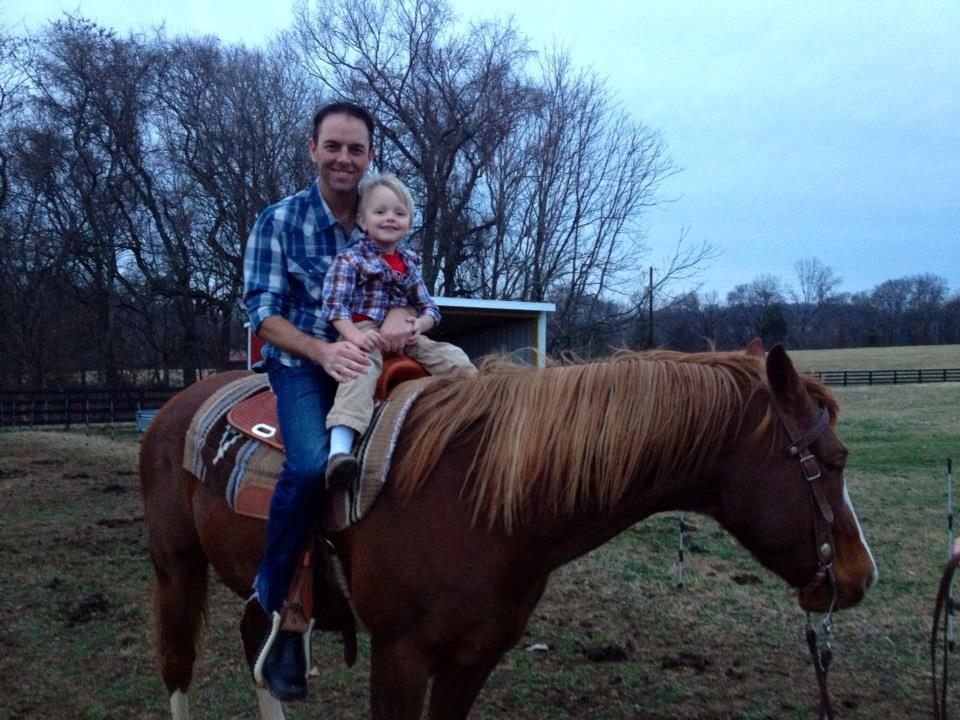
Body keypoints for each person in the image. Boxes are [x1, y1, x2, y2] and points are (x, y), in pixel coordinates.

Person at [242, 101, 415, 702]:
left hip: (376, 357)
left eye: (356, 149)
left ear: (370, 155)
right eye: (333, 146)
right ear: (312, 149)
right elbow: (262, 314)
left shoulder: (382, 212)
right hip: (304, 365)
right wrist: (322, 351)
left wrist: (402, 317)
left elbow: (407, 286)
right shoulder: (279, 221)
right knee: (313, 464)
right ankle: (276, 603)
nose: (345, 158)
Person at [320, 174, 477, 489]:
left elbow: (429, 309)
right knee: (359, 371)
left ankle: (480, 403)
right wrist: (354, 337)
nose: (390, 218)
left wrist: (417, 325)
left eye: (399, 213)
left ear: (408, 221)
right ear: (362, 220)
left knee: (451, 355)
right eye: (380, 212)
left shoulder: (409, 264)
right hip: (362, 329)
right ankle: (339, 450)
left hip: (404, 334)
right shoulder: (350, 259)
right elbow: (334, 306)